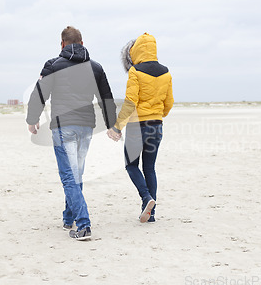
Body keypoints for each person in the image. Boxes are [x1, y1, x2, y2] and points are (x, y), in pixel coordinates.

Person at [27, 26, 116, 240]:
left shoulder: (53, 65)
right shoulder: (96, 68)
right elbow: (106, 99)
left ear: (62, 44)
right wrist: (112, 124)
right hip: (86, 127)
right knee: (75, 174)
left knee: (69, 177)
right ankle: (69, 218)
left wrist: (32, 120)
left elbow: (39, 94)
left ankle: (83, 225)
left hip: (63, 126)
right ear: (82, 43)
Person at [107, 33, 174, 223]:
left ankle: (146, 198)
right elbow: (169, 102)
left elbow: (130, 102)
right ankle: (151, 215)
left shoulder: (135, 72)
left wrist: (117, 127)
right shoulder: (166, 72)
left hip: (137, 127)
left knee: (131, 165)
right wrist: (158, 115)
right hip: (157, 126)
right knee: (150, 167)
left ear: (135, 50)